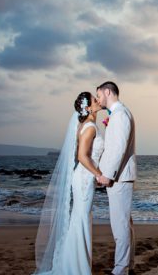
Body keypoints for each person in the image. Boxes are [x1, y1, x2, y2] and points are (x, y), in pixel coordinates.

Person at [34, 92, 105, 275]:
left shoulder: (84, 124)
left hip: (82, 177)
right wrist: (99, 175)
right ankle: (77, 268)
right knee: (81, 220)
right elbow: (82, 157)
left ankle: (75, 264)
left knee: (79, 220)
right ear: (88, 107)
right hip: (84, 178)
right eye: (94, 99)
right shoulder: (89, 127)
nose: (98, 101)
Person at [95, 81, 136, 275]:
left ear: (108, 92)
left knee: (119, 227)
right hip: (119, 176)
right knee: (124, 224)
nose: (98, 99)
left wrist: (107, 175)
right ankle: (127, 265)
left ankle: (120, 270)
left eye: (99, 95)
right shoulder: (118, 114)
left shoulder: (120, 115)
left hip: (118, 178)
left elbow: (118, 148)